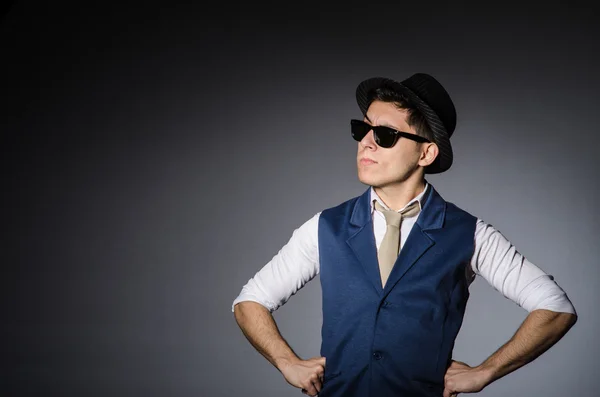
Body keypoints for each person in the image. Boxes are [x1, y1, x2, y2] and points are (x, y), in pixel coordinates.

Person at [231, 73, 577, 397]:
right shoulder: (325, 227)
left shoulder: (470, 234)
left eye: (384, 135)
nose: (366, 143)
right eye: (362, 130)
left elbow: (555, 308)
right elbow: (250, 301)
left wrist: (487, 370)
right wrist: (286, 361)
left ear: (426, 152)